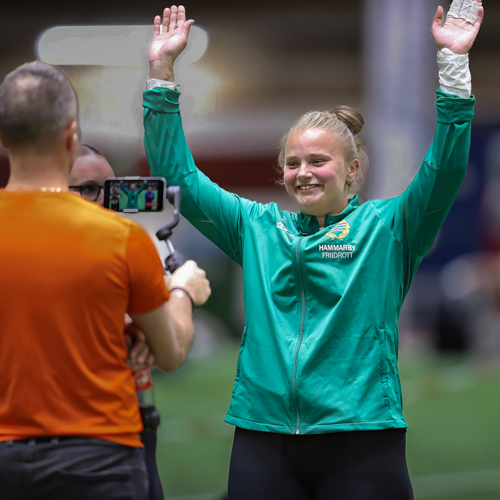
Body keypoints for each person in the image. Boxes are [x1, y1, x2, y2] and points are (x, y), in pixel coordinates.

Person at [143, 3, 483, 499]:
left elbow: (444, 171)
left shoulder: (389, 228)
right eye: (292, 162)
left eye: (318, 161)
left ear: (352, 169)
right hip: (263, 439)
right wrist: (161, 72)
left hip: (362, 438)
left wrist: (453, 66)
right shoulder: (257, 227)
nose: (303, 173)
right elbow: (179, 177)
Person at [0, 61, 211, 500]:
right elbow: (171, 351)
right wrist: (183, 291)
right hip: (100, 456)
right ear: (70, 135)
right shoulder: (121, 236)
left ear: (4, 139)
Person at [69, 144, 167, 500]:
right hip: (82, 434)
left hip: (135, 417)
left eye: (111, 189)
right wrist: (185, 292)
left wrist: (143, 326)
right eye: (89, 189)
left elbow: (163, 342)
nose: (105, 200)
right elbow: (171, 350)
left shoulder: (126, 244)